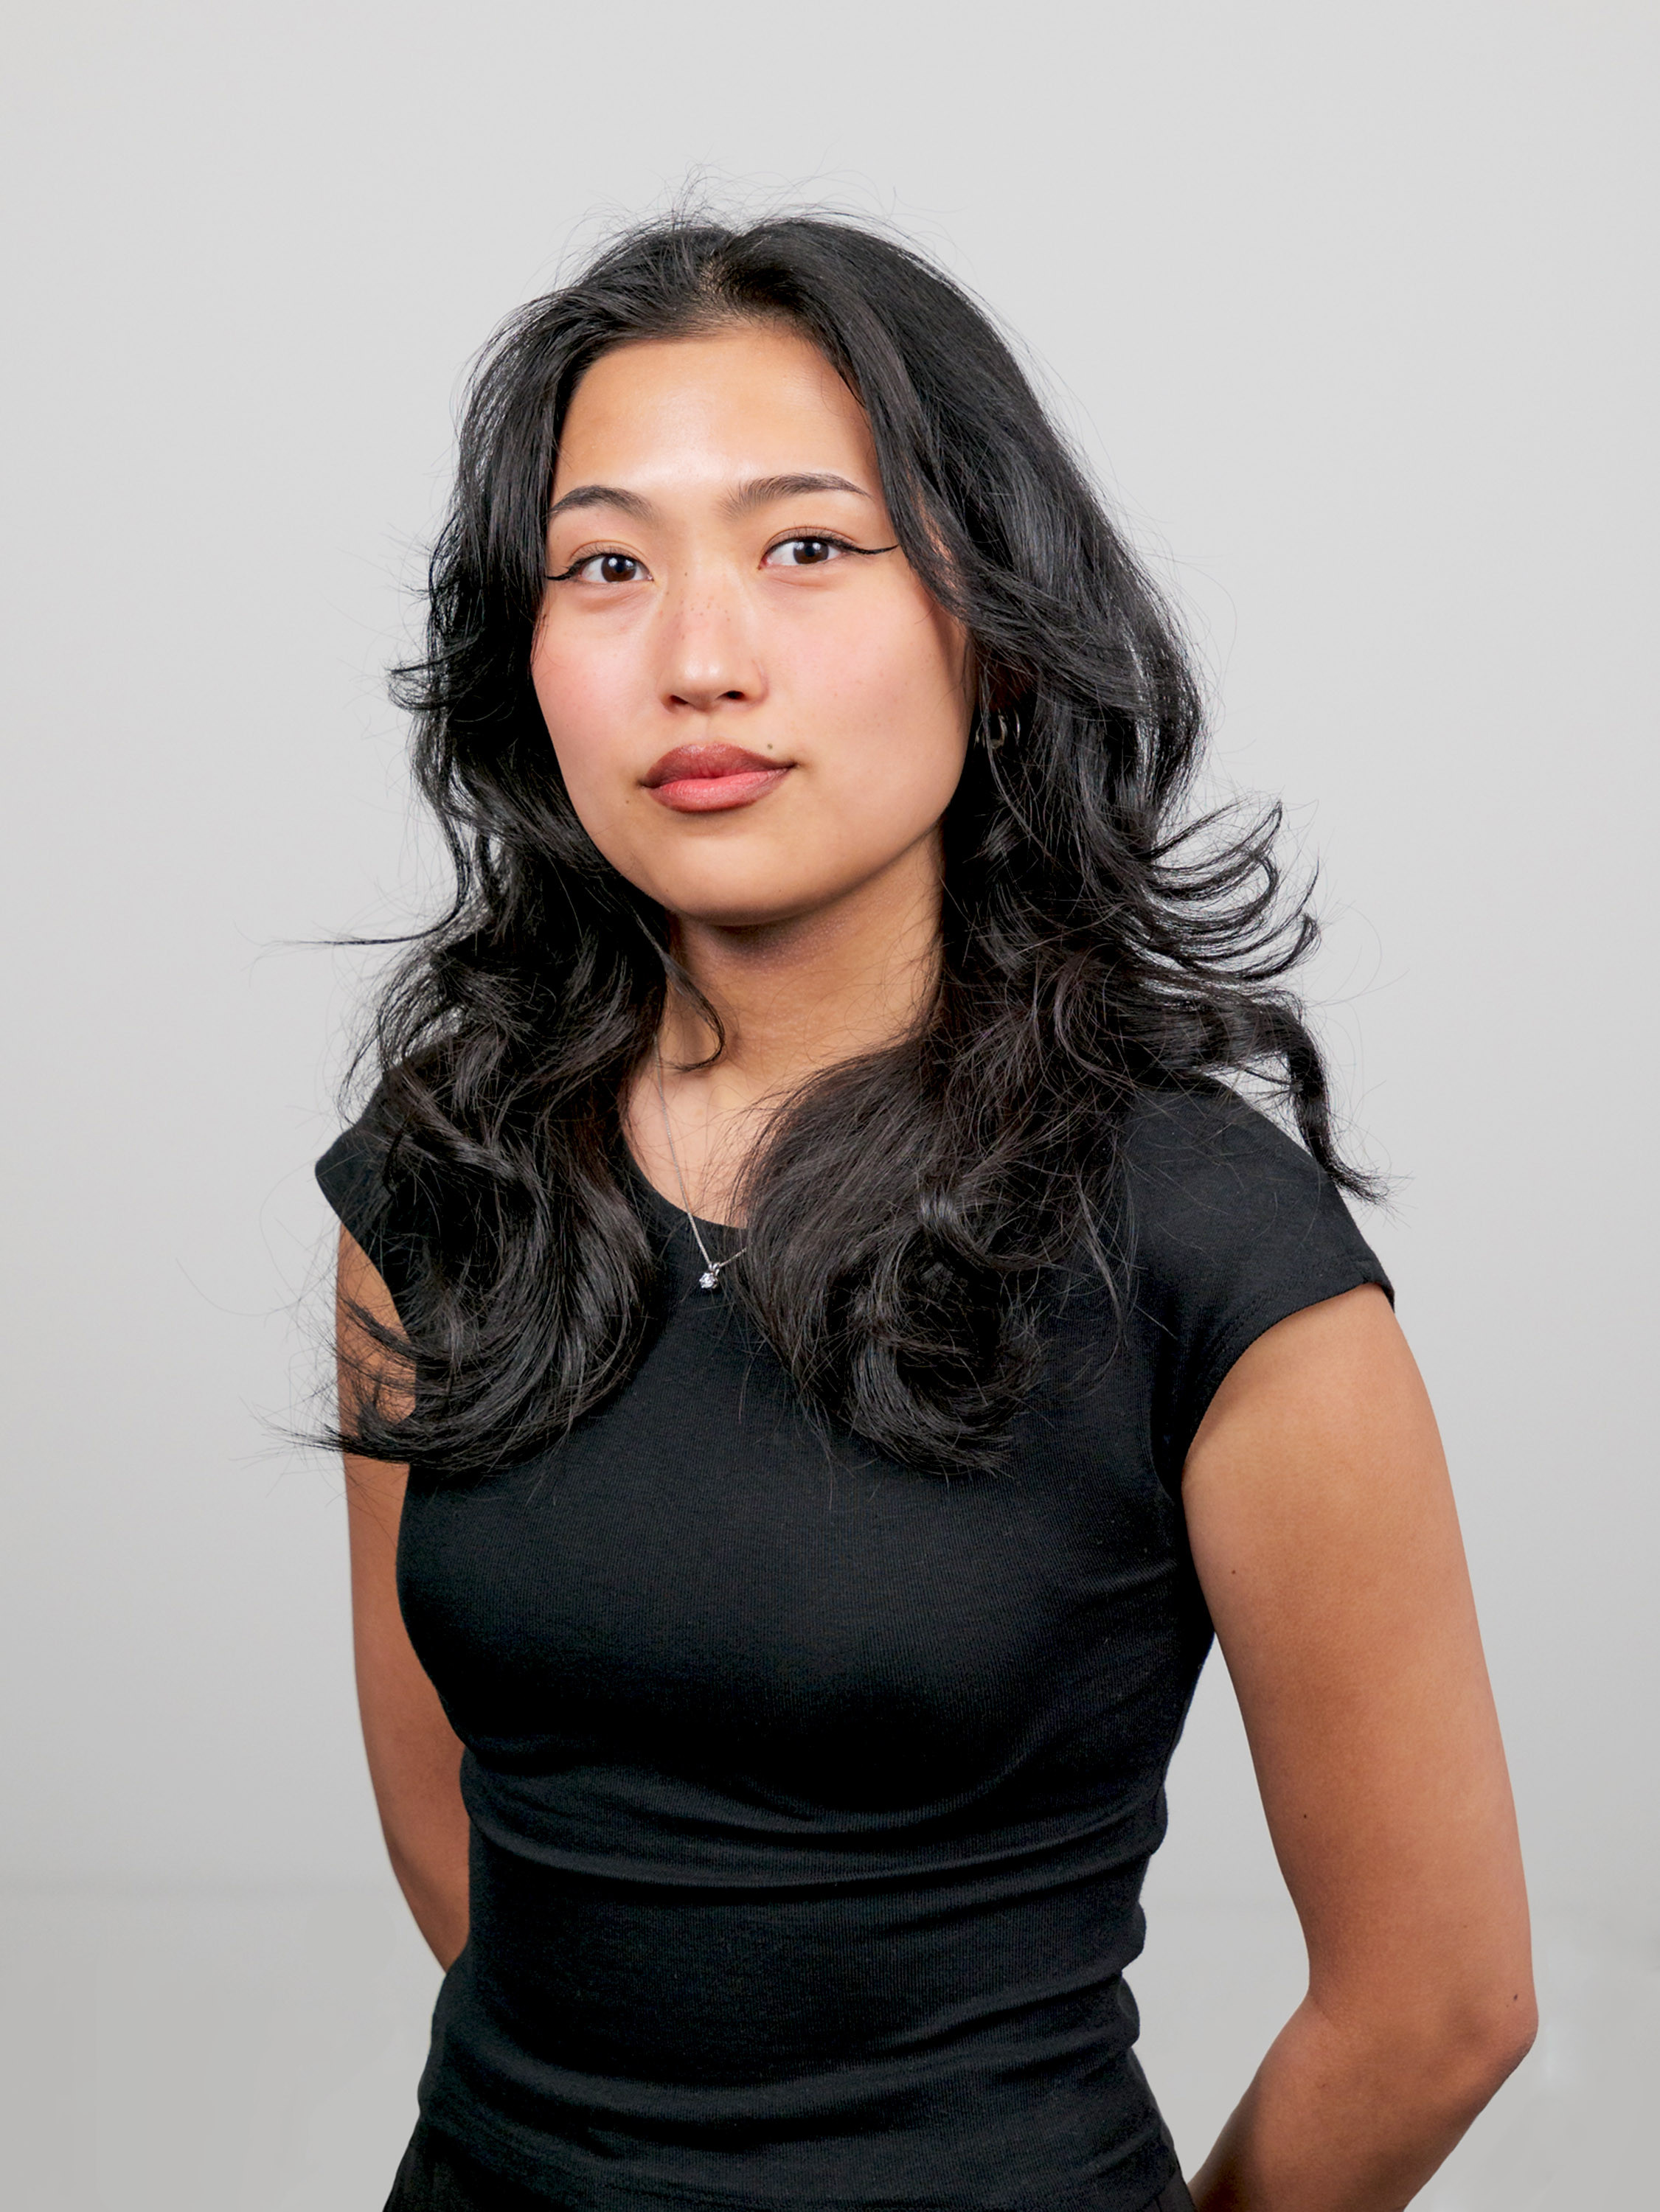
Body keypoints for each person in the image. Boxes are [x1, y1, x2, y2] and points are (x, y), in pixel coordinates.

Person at [316, 213, 1535, 2212]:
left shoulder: (1212, 1253)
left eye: (808, 547)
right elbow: (460, 1837)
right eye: (606, 567)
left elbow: (1436, 2006)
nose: (698, 660)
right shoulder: (441, 1181)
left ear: (994, 619)